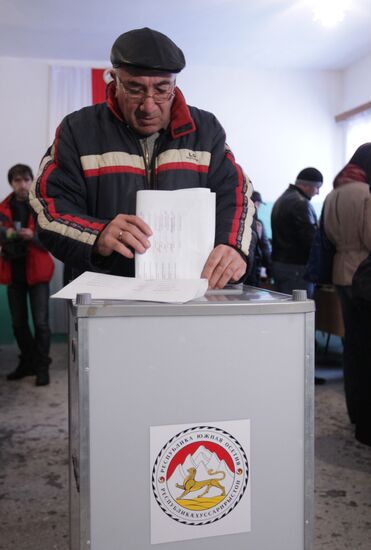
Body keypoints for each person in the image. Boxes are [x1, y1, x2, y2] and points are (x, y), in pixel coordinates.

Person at [29, 27, 253, 289]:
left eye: (161, 89)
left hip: (191, 298)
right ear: (114, 80)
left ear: (174, 84)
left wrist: (233, 246)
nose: (148, 106)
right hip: (104, 302)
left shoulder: (206, 130)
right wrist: (97, 234)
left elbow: (237, 194)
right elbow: (48, 206)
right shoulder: (79, 130)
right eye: (134, 89)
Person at [323, 143, 371, 440]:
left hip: (341, 273)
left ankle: (357, 415)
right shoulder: (366, 194)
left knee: (353, 347)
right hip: (364, 274)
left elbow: (328, 235)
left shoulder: (333, 193)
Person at [0, 164, 54, 386]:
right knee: (19, 324)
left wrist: (32, 235)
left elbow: (52, 242)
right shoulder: (3, 208)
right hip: (13, 272)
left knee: (41, 323)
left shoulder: (41, 208)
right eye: (17, 181)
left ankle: (42, 368)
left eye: (25, 180)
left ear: (32, 181)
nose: (22, 185)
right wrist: (10, 236)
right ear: (11, 183)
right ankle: (29, 361)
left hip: (38, 272)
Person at [271, 167, 323, 297]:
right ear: (305, 185)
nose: (318, 193)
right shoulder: (301, 204)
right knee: (299, 313)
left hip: (280, 265)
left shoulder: (282, 199)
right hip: (297, 269)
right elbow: (311, 240)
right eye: (317, 187)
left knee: (284, 310)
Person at [244, 190, 272, 286]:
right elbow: (265, 248)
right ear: (256, 204)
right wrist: (269, 268)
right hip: (252, 269)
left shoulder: (235, 222)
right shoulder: (258, 224)